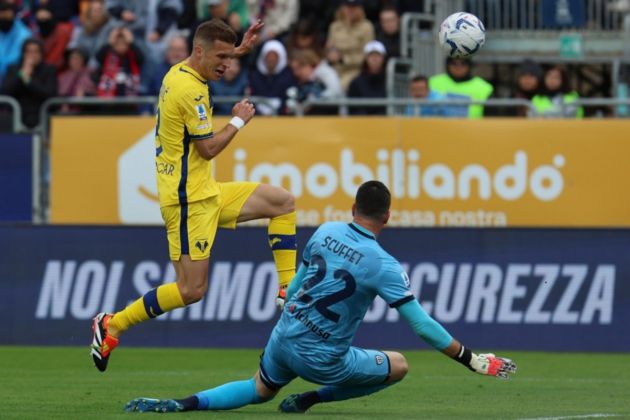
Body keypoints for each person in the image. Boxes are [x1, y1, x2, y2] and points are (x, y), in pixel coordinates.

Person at [122, 180, 517, 414]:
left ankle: (182, 404)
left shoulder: (326, 231)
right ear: (388, 217)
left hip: (284, 335)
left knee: (260, 388)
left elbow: (297, 281)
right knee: (399, 365)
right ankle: (310, 399)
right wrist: (470, 358)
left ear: (352, 208)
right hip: (322, 359)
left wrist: (287, 297)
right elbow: (421, 324)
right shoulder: (384, 265)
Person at [91, 18, 297, 373]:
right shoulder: (190, 91)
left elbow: (211, 51)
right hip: (187, 201)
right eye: (221, 57)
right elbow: (207, 149)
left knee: (282, 202)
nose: (227, 65)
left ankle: (288, 289)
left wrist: (238, 49)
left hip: (207, 191)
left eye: (229, 58)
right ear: (199, 52)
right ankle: (112, 325)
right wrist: (238, 120)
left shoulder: (182, 71)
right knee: (191, 290)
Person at [1, 38, 57, 128]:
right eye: (29, 52)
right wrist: (22, 75)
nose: (32, 55)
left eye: (36, 52)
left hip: (39, 113)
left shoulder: (49, 70)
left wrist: (27, 79)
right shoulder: (13, 69)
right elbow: (6, 91)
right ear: (23, 54)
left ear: (41, 54)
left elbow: (50, 93)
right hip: (16, 113)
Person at [326, 0, 375, 90]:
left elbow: (368, 55)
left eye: (354, 7)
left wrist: (343, 59)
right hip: (334, 68)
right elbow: (329, 47)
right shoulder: (335, 26)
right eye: (347, 7)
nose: (350, 10)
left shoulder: (366, 27)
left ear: (360, 9)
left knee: (340, 86)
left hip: (355, 70)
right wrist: (330, 54)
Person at [429, 57, 493, 119]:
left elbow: (492, 118)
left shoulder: (484, 87)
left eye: (463, 63)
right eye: (453, 63)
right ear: (447, 64)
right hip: (438, 128)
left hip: (472, 129)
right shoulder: (432, 83)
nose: (458, 67)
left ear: (470, 65)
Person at [248, 39, 296, 115]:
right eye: (268, 56)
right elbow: (251, 98)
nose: (271, 59)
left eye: (274, 56)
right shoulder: (255, 77)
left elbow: (289, 100)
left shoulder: (288, 77)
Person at [347, 40, 387, 115]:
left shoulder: (389, 81)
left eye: (378, 55)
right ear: (366, 58)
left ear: (383, 58)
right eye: (371, 55)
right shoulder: (356, 82)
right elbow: (353, 109)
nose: (375, 59)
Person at [0, 0, 32, 83]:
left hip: (15, 78)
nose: (3, 17)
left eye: (6, 14)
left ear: (13, 15)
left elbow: (16, 61)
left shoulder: (24, 34)